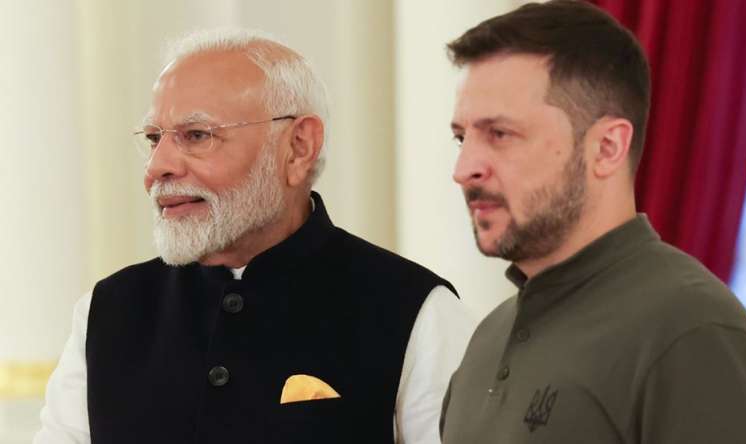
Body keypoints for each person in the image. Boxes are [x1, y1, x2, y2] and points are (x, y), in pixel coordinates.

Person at [34, 29, 475, 444]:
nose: (157, 168)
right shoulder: (106, 312)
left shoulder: (416, 311)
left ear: (298, 147)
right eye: (154, 139)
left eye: (197, 135)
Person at [440, 1, 746, 443]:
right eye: (462, 138)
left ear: (607, 148)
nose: (464, 169)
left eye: (500, 134)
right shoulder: (486, 341)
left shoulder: (694, 333)